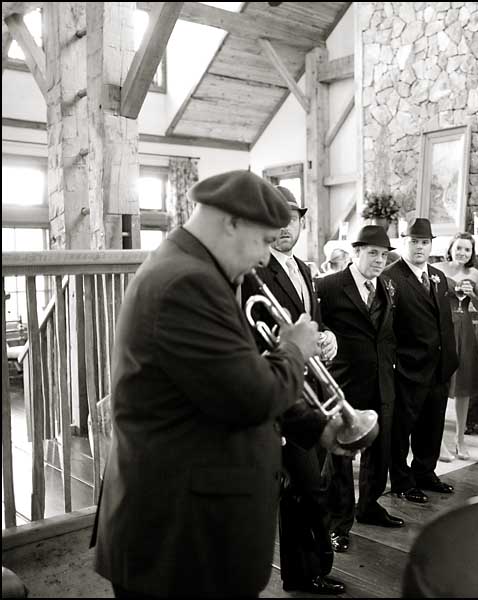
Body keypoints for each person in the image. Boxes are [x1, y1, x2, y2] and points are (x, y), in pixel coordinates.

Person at [92, 170, 347, 598]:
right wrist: (296, 352)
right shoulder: (186, 282)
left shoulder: (205, 270)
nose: (267, 258)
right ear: (232, 223)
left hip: (197, 527)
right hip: (179, 535)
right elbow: (250, 397)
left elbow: (237, 372)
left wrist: (314, 426)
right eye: (265, 241)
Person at [239, 186, 344, 595]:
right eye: (276, 220)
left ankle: (308, 570)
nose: (285, 227)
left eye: (293, 219)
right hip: (282, 395)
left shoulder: (304, 268)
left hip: (312, 390)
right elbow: (256, 337)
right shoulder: (253, 271)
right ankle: (303, 572)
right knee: (306, 488)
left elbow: (310, 325)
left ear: (302, 222)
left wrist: (328, 337)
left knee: (310, 487)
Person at [317, 225, 405, 554]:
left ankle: (369, 505)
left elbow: (388, 332)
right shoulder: (328, 285)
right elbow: (316, 323)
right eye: (372, 253)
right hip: (344, 383)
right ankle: (338, 523)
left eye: (383, 255)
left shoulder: (387, 287)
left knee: (379, 448)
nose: (379, 260)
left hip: (382, 380)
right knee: (339, 457)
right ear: (355, 253)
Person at [384, 218, 459, 504]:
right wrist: (396, 364)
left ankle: (425, 472)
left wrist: (450, 360)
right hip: (407, 368)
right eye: (414, 241)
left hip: (438, 368)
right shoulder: (390, 277)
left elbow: (444, 322)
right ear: (404, 241)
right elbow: (387, 328)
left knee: (432, 426)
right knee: (402, 429)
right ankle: (402, 482)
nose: (419, 247)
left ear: (431, 246)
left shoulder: (438, 277)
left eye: (425, 242)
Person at [433, 232, 478, 460]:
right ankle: (438, 441)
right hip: (442, 329)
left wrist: (473, 294)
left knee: (463, 388)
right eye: (459, 248)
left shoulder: (475, 273)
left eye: (467, 250)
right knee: (441, 386)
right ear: (451, 248)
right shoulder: (437, 269)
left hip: (464, 329)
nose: (463, 253)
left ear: (472, 253)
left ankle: (460, 440)